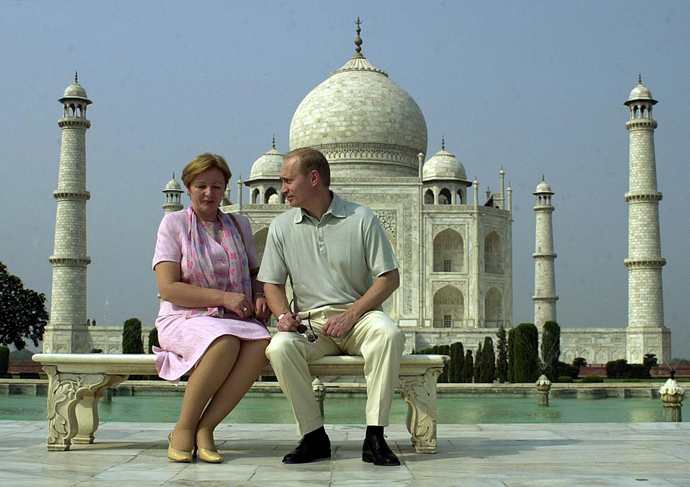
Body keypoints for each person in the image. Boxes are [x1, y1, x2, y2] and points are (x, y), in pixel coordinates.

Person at [259, 147, 406, 467]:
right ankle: (313, 435)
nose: (281, 189)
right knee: (280, 347)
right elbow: (271, 282)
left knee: (389, 334)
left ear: (313, 178)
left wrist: (352, 314)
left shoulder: (361, 218)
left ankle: (375, 435)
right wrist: (283, 316)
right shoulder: (282, 227)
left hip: (360, 318)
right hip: (311, 325)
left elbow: (389, 277)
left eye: (287, 181)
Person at [152, 153, 271, 463]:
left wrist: (259, 296)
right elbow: (167, 288)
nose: (209, 194)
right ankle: (184, 427)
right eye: (201, 186)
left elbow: (257, 275)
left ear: (226, 189)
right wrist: (223, 298)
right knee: (224, 341)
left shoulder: (239, 224)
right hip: (184, 317)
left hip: (233, 317)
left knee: (261, 343)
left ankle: (206, 427)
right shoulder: (174, 223)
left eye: (216, 187)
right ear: (188, 188)